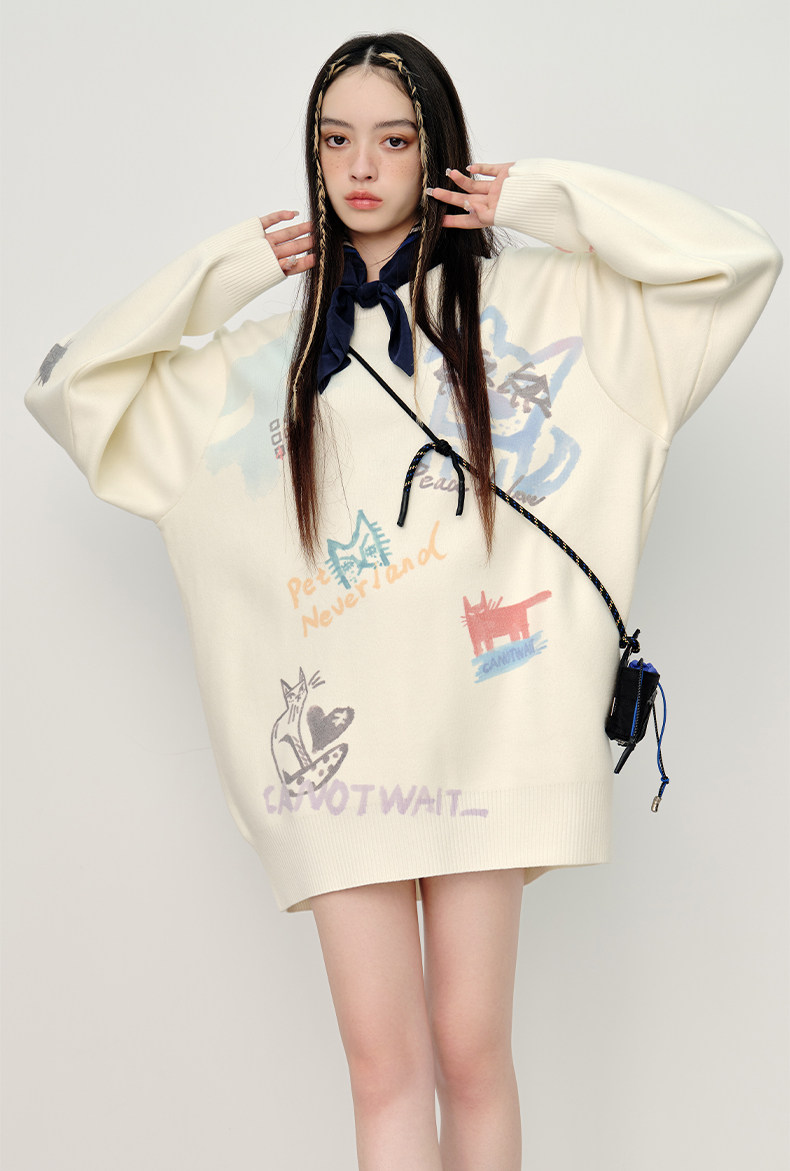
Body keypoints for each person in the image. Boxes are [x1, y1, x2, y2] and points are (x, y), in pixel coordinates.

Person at [24, 29, 782, 1171]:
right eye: (336, 141)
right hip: (340, 770)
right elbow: (72, 390)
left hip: (489, 741)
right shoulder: (261, 362)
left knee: (472, 1054)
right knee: (385, 1070)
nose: (361, 167)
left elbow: (736, 260)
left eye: (392, 139)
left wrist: (545, 200)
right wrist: (227, 270)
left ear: (438, 152)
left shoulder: (540, 302)